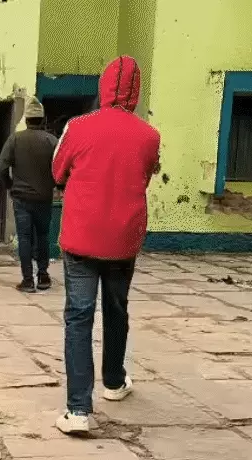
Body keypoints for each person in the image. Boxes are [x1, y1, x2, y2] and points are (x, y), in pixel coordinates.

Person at [51, 56, 161, 434]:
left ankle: (78, 410)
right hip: (123, 239)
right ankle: (114, 382)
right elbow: (145, 176)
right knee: (117, 309)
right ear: (136, 91)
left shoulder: (78, 126)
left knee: (79, 316)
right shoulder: (149, 135)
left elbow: (57, 170)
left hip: (81, 236)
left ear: (103, 86)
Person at [0, 97, 58, 292]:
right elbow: (61, 168)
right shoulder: (52, 141)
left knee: (24, 238)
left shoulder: (15, 139)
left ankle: (28, 280)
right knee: (43, 236)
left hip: (21, 198)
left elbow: (0, 167)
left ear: (27, 120)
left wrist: (9, 185)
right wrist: (54, 185)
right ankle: (43, 275)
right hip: (44, 198)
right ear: (42, 119)